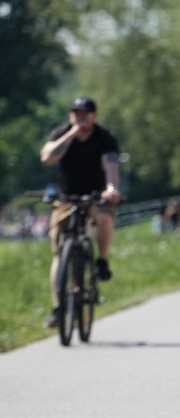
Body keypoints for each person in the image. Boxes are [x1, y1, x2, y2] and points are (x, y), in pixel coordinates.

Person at [39, 96, 122, 328]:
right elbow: (47, 157)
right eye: (75, 113)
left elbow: (111, 168)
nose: (79, 118)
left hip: (96, 196)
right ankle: (58, 308)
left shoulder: (104, 139)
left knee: (105, 218)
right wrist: (71, 135)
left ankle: (102, 261)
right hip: (66, 197)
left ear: (94, 116)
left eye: (84, 114)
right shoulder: (61, 133)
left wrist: (112, 189)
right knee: (58, 254)